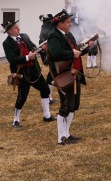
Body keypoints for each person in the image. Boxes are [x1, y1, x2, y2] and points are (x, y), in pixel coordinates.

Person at [46, 9, 92, 145]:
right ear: (59, 23)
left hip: (75, 73)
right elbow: (56, 53)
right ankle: (61, 138)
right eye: (67, 22)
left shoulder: (68, 35)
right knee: (65, 105)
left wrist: (86, 47)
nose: (69, 24)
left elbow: (76, 51)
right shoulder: (53, 36)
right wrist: (73, 53)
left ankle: (67, 133)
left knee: (74, 105)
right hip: (64, 75)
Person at [2, 19, 55, 128]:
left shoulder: (24, 36)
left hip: (33, 70)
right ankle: (15, 120)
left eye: (18, 27)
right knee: (22, 96)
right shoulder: (6, 43)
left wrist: (42, 49)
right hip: (21, 73)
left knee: (45, 89)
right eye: (16, 28)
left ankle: (47, 115)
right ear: (10, 31)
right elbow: (12, 59)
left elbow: (33, 47)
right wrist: (27, 57)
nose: (19, 29)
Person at [38, 14, 58, 104]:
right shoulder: (47, 28)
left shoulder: (45, 27)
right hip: (49, 54)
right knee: (51, 75)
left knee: (52, 74)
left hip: (48, 53)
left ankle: (49, 96)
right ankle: (48, 96)